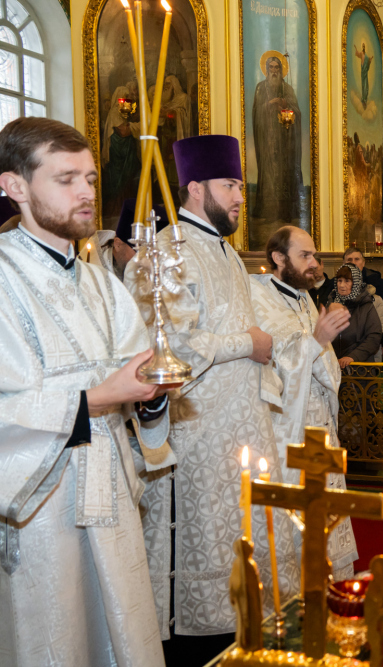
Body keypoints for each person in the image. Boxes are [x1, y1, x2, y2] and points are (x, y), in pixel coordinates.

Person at [0, 117, 173, 667]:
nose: (87, 193)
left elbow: (134, 382)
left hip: (114, 497)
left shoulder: (103, 283)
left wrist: (153, 394)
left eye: (92, 179)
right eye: (67, 179)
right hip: (41, 513)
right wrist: (97, 399)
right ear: (16, 187)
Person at [125, 135, 300, 663]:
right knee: (200, 589)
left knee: (243, 570)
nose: (240, 197)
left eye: (242, 186)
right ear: (196, 188)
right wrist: (248, 343)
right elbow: (165, 352)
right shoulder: (165, 254)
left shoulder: (224, 250)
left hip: (241, 432)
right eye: (231, 186)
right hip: (194, 441)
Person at [250, 226, 359, 579]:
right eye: (305, 256)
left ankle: (331, 585)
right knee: (298, 513)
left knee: (327, 507)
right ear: (279, 258)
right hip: (289, 428)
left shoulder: (303, 297)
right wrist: (317, 339)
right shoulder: (258, 297)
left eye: (315, 256)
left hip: (320, 421)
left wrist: (320, 341)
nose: (315, 263)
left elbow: (322, 360)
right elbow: (271, 363)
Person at [250, 54, 304, 247]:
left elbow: (296, 112)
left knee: (285, 175)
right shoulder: (260, 88)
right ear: (266, 69)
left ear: (281, 70)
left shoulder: (287, 88)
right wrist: (271, 104)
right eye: (271, 67)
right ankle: (267, 211)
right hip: (267, 141)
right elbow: (256, 113)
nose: (274, 71)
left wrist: (286, 106)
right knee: (270, 175)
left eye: (277, 68)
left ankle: (285, 212)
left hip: (285, 142)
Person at [84, 198, 167, 281]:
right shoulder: (93, 272)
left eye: (150, 253)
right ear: (118, 244)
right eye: (137, 250)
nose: (144, 260)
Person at [331, 262, 383, 367]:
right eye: (339, 281)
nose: (341, 285)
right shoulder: (331, 303)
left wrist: (353, 356)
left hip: (359, 369)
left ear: (355, 283)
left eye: (347, 281)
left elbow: (374, 337)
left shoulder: (366, 306)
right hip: (334, 367)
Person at [344, 247, 383, 318]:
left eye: (357, 259)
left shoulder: (378, 283)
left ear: (363, 263)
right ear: (344, 264)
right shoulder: (336, 283)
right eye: (349, 260)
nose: (353, 263)